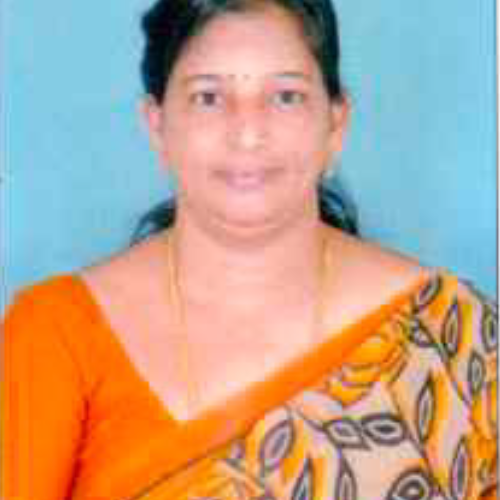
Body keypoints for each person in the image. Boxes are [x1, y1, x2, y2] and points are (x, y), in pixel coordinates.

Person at [2, 0, 497, 498]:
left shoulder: (450, 335)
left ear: (336, 124)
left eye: (285, 96)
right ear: (157, 126)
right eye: (208, 97)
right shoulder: (56, 335)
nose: (248, 133)